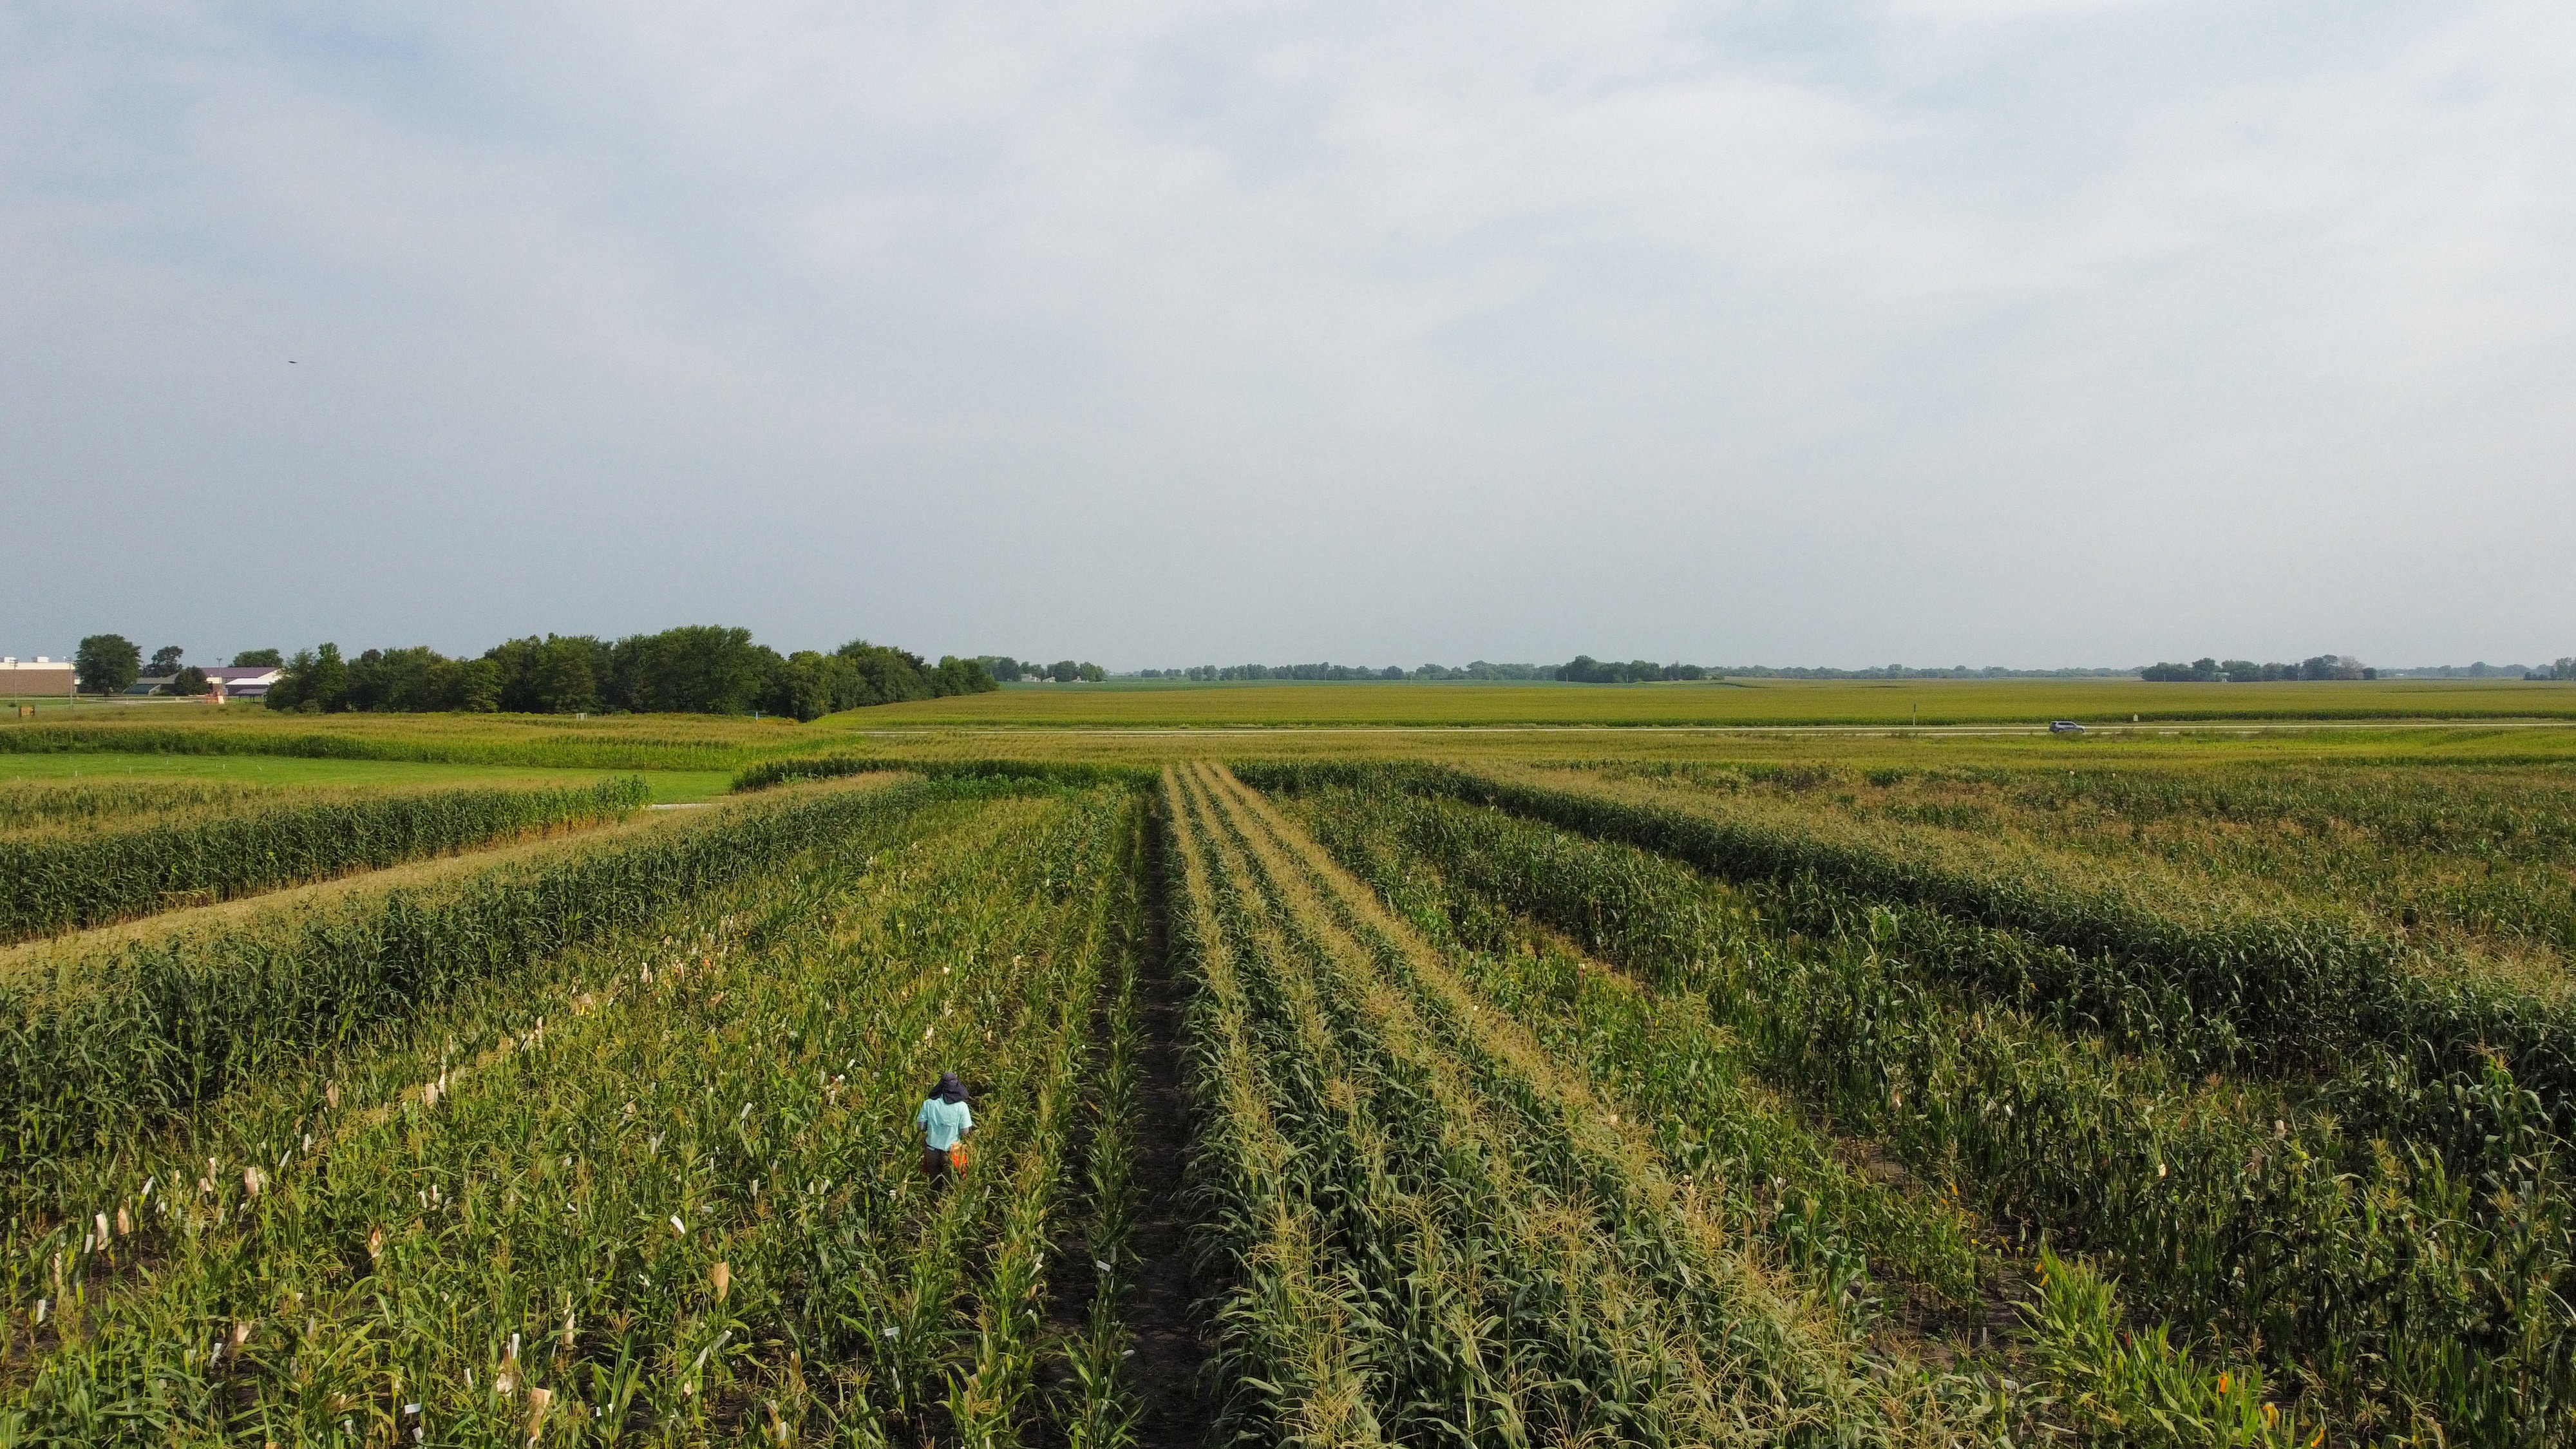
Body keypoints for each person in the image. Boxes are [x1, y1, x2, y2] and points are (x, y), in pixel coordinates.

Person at [915, 1071, 973, 1189]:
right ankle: (946, 1205)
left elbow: (921, 1127)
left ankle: (933, 1204)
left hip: (932, 1151)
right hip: (952, 1151)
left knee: (934, 1183)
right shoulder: (962, 1107)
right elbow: (965, 1132)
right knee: (951, 1184)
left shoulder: (929, 1103)